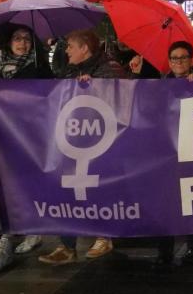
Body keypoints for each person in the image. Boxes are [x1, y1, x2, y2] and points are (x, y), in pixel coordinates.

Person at [39, 30, 127, 266]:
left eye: (70, 46)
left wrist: (95, 87)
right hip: (74, 139)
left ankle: (104, 236)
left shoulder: (109, 69)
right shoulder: (72, 70)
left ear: (84, 48)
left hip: (102, 141)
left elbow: (122, 98)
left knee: (100, 190)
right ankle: (66, 246)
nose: (67, 50)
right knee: (67, 192)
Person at [0, 28, 55, 273]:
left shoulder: (40, 67)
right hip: (0, 134)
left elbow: (53, 95)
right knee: (4, 187)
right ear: (8, 41)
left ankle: (7, 244)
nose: (22, 43)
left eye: (27, 39)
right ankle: (25, 232)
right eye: (17, 38)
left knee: (19, 187)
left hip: (30, 137)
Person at [155, 41, 193, 268]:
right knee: (165, 204)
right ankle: (164, 251)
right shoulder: (160, 85)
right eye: (174, 58)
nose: (178, 62)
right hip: (167, 154)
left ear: (191, 60)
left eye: (183, 57)